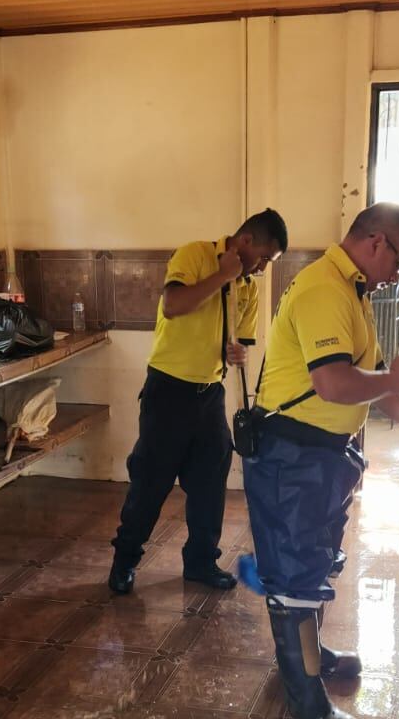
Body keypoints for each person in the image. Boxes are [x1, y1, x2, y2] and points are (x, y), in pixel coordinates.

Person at [242, 202, 399, 719]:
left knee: (314, 560)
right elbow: (333, 383)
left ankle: (310, 655)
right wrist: (393, 377)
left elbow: (369, 383)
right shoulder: (324, 290)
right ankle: (307, 702)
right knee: (295, 578)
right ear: (377, 242)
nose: (397, 274)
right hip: (293, 454)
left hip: (322, 457)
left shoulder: (349, 291)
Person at [109, 208, 289, 594]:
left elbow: (239, 343)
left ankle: (201, 563)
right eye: (262, 259)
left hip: (210, 395)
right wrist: (223, 274)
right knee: (151, 484)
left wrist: (236, 353)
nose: (260, 270)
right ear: (245, 243)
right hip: (167, 392)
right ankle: (125, 560)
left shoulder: (248, 288)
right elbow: (173, 306)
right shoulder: (194, 256)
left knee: (210, 484)